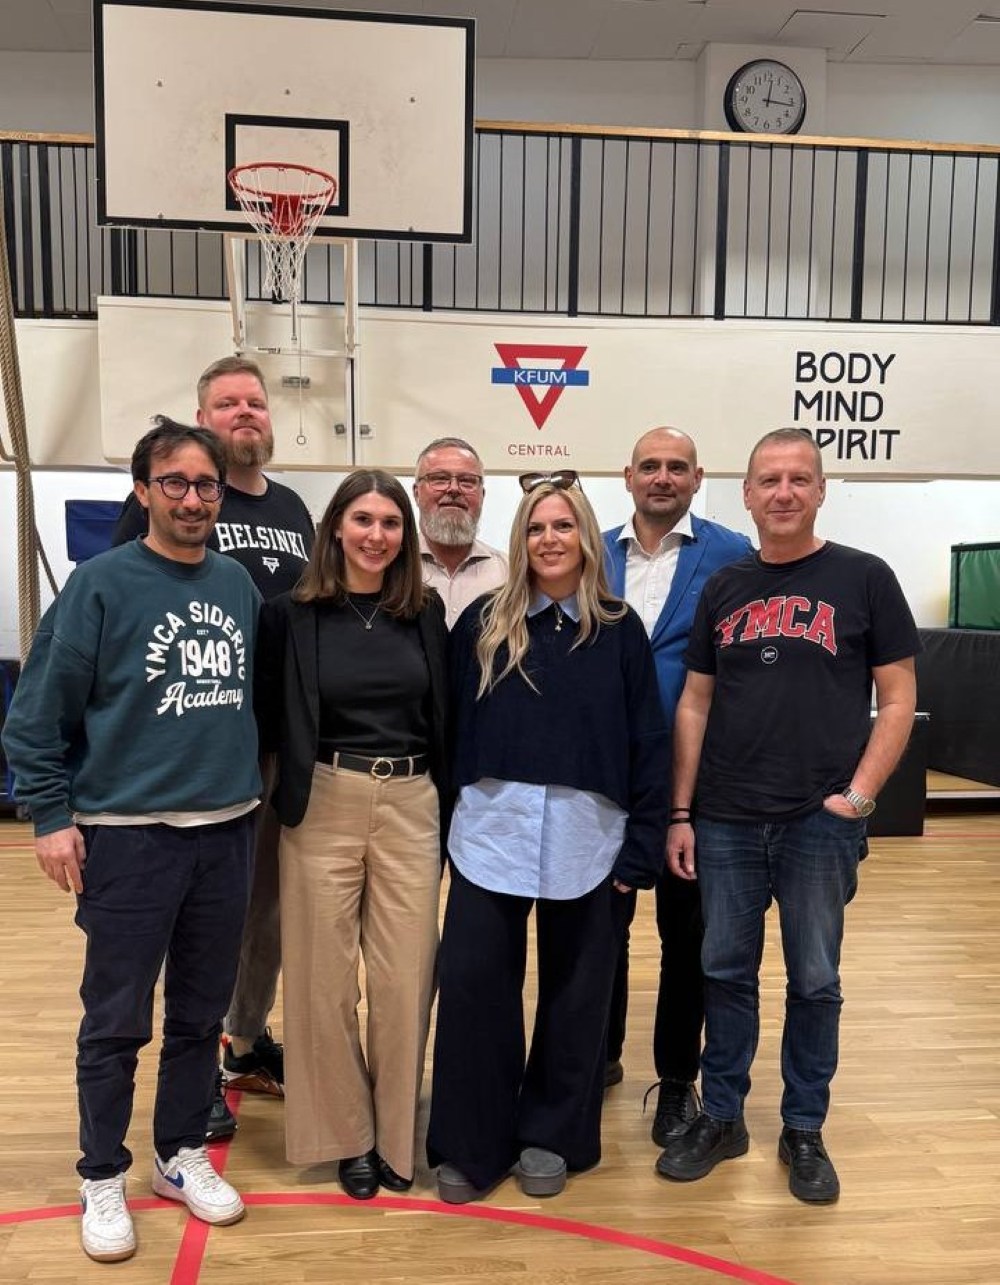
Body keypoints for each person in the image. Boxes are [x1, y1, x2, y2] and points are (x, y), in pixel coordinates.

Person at [2, 419, 262, 1263]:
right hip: (128, 839)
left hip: (225, 834)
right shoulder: (101, 584)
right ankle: (102, 1171)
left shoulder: (236, 585)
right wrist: (50, 815)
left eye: (206, 484)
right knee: (115, 1020)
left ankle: (179, 1152)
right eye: (174, 482)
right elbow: (34, 714)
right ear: (144, 490)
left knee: (199, 1016)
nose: (193, 498)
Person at [657, 428, 919, 1204]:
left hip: (819, 822)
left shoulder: (865, 577)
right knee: (723, 973)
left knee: (815, 981)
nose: (783, 492)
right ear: (745, 493)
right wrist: (682, 810)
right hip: (727, 818)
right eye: (768, 479)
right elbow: (695, 702)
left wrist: (858, 797)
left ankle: (803, 1127)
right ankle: (724, 1116)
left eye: (798, 478)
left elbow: (897, 698)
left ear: (821, 489)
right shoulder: (724, 586)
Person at [426, 469, 671, 1204]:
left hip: (589, 842)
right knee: (473, 989)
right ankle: (472, 1141)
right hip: (489, 836)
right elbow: (449, 732)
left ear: (586, 535)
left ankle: (553, 1135)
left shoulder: (619, 630)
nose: (549, 539)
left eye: (563, 525)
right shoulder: (483, 622)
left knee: (577, 997)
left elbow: (647, 740)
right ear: (520, 539)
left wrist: (644, 844)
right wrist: (439, 829)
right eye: (536, 527)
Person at [114, 355, 315, 1140]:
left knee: (263, 911)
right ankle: (192, 1067)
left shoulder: (294, 508)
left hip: (278, 744)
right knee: (192, 916)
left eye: (255, 402)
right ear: (201, 419)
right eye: (227, 403)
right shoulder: (171, 502)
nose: (244, 413)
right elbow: (129, 609)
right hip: (194, 747)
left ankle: (244, 1041)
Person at [255, 468, 450, 1200]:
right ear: (335, 526)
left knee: (405, 979)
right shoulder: (289, 614)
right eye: (363, 520)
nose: (376, 535)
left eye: (391, 522)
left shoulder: (424, 611)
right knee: (323, 981)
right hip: (323, 798)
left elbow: (445, 715)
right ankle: (347, 1137)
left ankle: (396, 1135)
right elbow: (267, 720)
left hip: (412, 800)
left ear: (406, 534)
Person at [603, 428, 751, 1145]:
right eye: (650, 466)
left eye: (677, 467)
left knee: (686, 941)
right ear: (628, 476)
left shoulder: (733, 554)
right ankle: (596, 1057)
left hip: (697, 788)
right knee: (602, 933)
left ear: (697, 478)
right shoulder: (592, 551)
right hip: (608, 784)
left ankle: (674, 1082)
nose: (662, 477)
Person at [413, 436, 507, 628]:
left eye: (467, 481)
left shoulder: (509, 574)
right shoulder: (392, 568)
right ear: (416, 493)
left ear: (482, 495)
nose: (454, 489)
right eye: (439, 479)